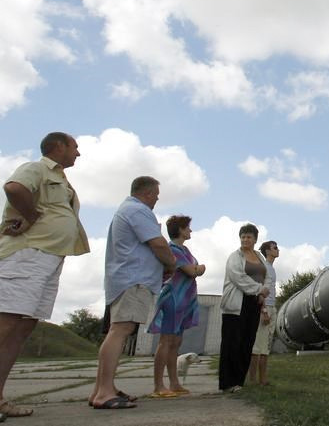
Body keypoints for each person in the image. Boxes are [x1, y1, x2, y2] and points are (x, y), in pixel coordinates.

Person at [0, 132, 89, 418]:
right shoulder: (36, 168)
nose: (78, 153)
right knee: (6, 324)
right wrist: (33, 216)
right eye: (74, 147)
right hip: (28, 255)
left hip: (49, 260)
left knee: (22, 328)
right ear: (58, 146)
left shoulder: (64, 180)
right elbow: (14, 188)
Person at [89, 176, 176, 410]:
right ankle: (104, 392)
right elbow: (158, 244)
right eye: (156, 195)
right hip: (133, 280)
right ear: (147, 193)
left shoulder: (126, 210)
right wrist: (170, 265)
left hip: (127, 278)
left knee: (118, 330)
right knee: (121, 330)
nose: (157, 200)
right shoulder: (138, 210)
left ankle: (101, 388)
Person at [147, 215, 205, 397]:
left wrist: (197, 269)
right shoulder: (173, 249)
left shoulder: (185, 250)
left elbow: (194, 268)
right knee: (166, 341)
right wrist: (199, 268)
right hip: (173, 298)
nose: (190, 231)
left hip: (185, 300)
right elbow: (191, 270)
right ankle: (158, 386)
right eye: (188, 227)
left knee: (176, 342)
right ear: (180, 229)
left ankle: (174, 383)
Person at [219, 223, 270, 392]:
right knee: (232, 342)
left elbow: (267, 276)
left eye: (248, 236)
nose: (245, 239)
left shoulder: (260, 257)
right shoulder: (235, 257)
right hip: (236, 303)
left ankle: (239, 381)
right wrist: (258, 289)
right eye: (242, 236)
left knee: (247, 342)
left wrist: (263, 293)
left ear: (255, 239)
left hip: (254, 303)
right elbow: (237, 277)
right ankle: (228, 383)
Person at [249, 240, 279, 386]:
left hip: (272, 307)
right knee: (258, 346)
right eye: (275, 247)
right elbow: (260, 290)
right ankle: (254, 379)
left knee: (266, 346)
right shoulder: (264, 267)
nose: (277, 249)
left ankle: (263, 379)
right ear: (267, 251)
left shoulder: (272, 268)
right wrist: (264, 310)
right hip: (265, 308)